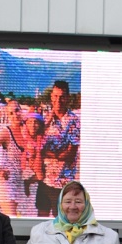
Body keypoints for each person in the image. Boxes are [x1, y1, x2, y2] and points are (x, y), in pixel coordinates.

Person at [38, 80, 80, 217]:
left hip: (63, 182)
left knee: (61, 223)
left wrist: (46, 153)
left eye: (62, 97)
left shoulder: (74, 121)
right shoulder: (44, 119)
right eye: (55, 96)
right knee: (40, 223)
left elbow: (70, 155)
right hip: (45, 179)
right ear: (51, 96)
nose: (58, 100)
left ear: (67, 97)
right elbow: (36, 144)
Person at [0, 99, 26, 216]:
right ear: (8, 116)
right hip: (6, 181)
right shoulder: (6, 132)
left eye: (17, 110)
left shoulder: (27, 129)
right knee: (12, 219)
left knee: (15, 219)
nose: (15, 115)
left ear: (21, 110)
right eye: (11, 113)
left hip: (19, 181)